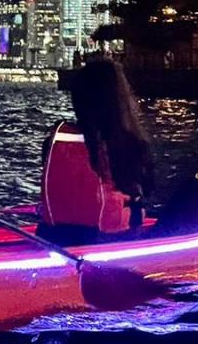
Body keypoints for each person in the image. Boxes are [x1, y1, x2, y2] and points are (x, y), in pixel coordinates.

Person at [38, 59, 154, 245]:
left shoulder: (55, 141)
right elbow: (147, 189)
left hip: (53, 237)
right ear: (120, 99)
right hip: (111, 240)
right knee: (197, 191)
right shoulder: (130, 144)